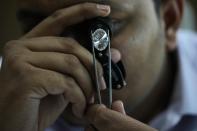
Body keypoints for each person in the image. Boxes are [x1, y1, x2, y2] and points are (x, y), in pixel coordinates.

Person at [0, 0, 196, 130]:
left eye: (103, 27)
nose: (68, 56)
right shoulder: (8, 96)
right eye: (36, 25)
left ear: (169, 20)